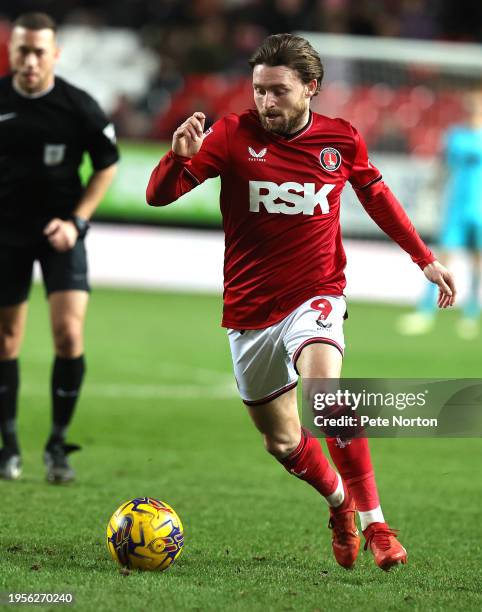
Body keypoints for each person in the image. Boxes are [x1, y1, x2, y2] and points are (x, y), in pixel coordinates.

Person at [146, 34, 455, 571]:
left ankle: (377, 523)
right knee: (282, 440)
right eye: (259, 90)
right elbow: (159, 195)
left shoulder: (341, 139)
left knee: (325, 396)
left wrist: (423, 259)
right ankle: (340, 505)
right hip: (248, 311)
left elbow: (377, 198)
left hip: (317, 294)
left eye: (279, 91)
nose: (266, 102)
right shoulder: (229, 135)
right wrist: (177, 161)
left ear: (311, 87)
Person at [0, 13, 119, 483]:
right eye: (22, 50)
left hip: (60, 234)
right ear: (12, 51)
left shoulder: (78, 106)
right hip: (5, 234)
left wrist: (78, 220)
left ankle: (56, 447)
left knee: (68, 334)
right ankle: (8, 446)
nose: (30, 60)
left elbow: (107, 164)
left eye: (39, 52)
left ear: (55, 54)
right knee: (6, 339)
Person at [398, 88, 482, 339]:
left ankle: (472, 312)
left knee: (479, 260)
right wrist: (429, 196)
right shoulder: (456, 136)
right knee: (441, 258)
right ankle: (426, 310)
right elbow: (442, 169)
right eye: (470, 107)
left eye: (478, 107)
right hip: (457, 208)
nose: (474, 112)